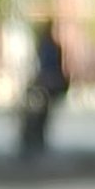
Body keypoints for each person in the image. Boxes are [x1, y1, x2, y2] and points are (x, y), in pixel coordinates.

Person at [18, 20, 69, 161]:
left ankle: (35, 140)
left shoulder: (46, 47)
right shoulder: (50, 47)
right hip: (47, 83)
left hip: (45, 83)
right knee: (40, 115)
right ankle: (34, 140)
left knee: (40, 115)